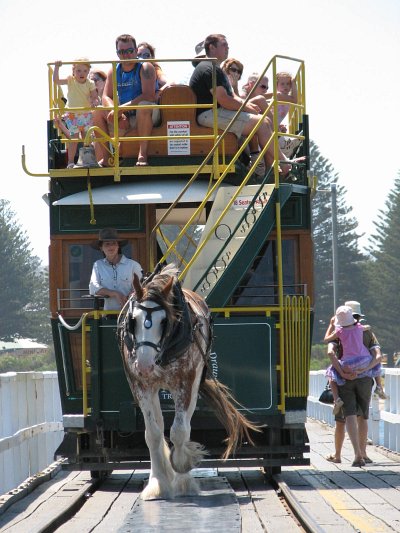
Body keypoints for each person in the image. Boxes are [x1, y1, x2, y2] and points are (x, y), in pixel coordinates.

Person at [189, 34, 304, 179]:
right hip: (208, 114)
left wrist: (246, 104)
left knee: (265, 121)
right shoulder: (207, 68)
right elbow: (224, 100)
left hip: (217, 112)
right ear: (211, 47)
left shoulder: (216, 69)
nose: (227, 48)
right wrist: (247, 108)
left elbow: (232, 96)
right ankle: (283, 162)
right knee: (261, 123)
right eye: (224, 45)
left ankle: (272, 173)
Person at [324, 304, 381, 467]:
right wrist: (367, 369)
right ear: (357, 317)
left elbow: (330, 351)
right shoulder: (366, 331)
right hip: (364, 376)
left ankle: (348, 454)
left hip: (345, 377)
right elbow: (377, 356)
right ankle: (363, 452)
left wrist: (341, 372)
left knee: (346, 417)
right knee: (363, 415)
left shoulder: (338, 333)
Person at [93, 34, 160, 167]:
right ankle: (107, 158)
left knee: (144, 106)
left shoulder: (145, 67)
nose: (126, 55)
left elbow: (148, 96)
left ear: (135, 51)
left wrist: (121, 109)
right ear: (117, 53)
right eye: (121, 52)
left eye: (129, 51)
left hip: (148, 114)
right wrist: (116, 112)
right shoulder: (114, 70)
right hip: (126, 116)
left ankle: (142, 154)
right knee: (98, 112)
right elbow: (106, 96)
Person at [53, 58, 98, 168]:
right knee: (74, 139)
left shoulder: (90, 83)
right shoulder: (70, 80)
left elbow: (94, 96)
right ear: (73, 71)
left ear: (88, 72)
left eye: (84, 71)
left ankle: (89, 160)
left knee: (87, 137)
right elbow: (56, 81)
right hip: (72, 115)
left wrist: (94, 102)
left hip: (86, 114)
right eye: (78, 71)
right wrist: (57, 67)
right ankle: (70, 162)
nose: (81, 73)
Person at [89, 228, 143, 311]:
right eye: (107, 244)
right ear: (101, 248)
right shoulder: (98, 265)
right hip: (108, 315)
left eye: (113, 243)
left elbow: (142, 288)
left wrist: (129, 297)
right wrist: (114, 293)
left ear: (118, 246)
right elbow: (93, 288)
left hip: (131, 315)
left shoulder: (133, 265)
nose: (111, 247)